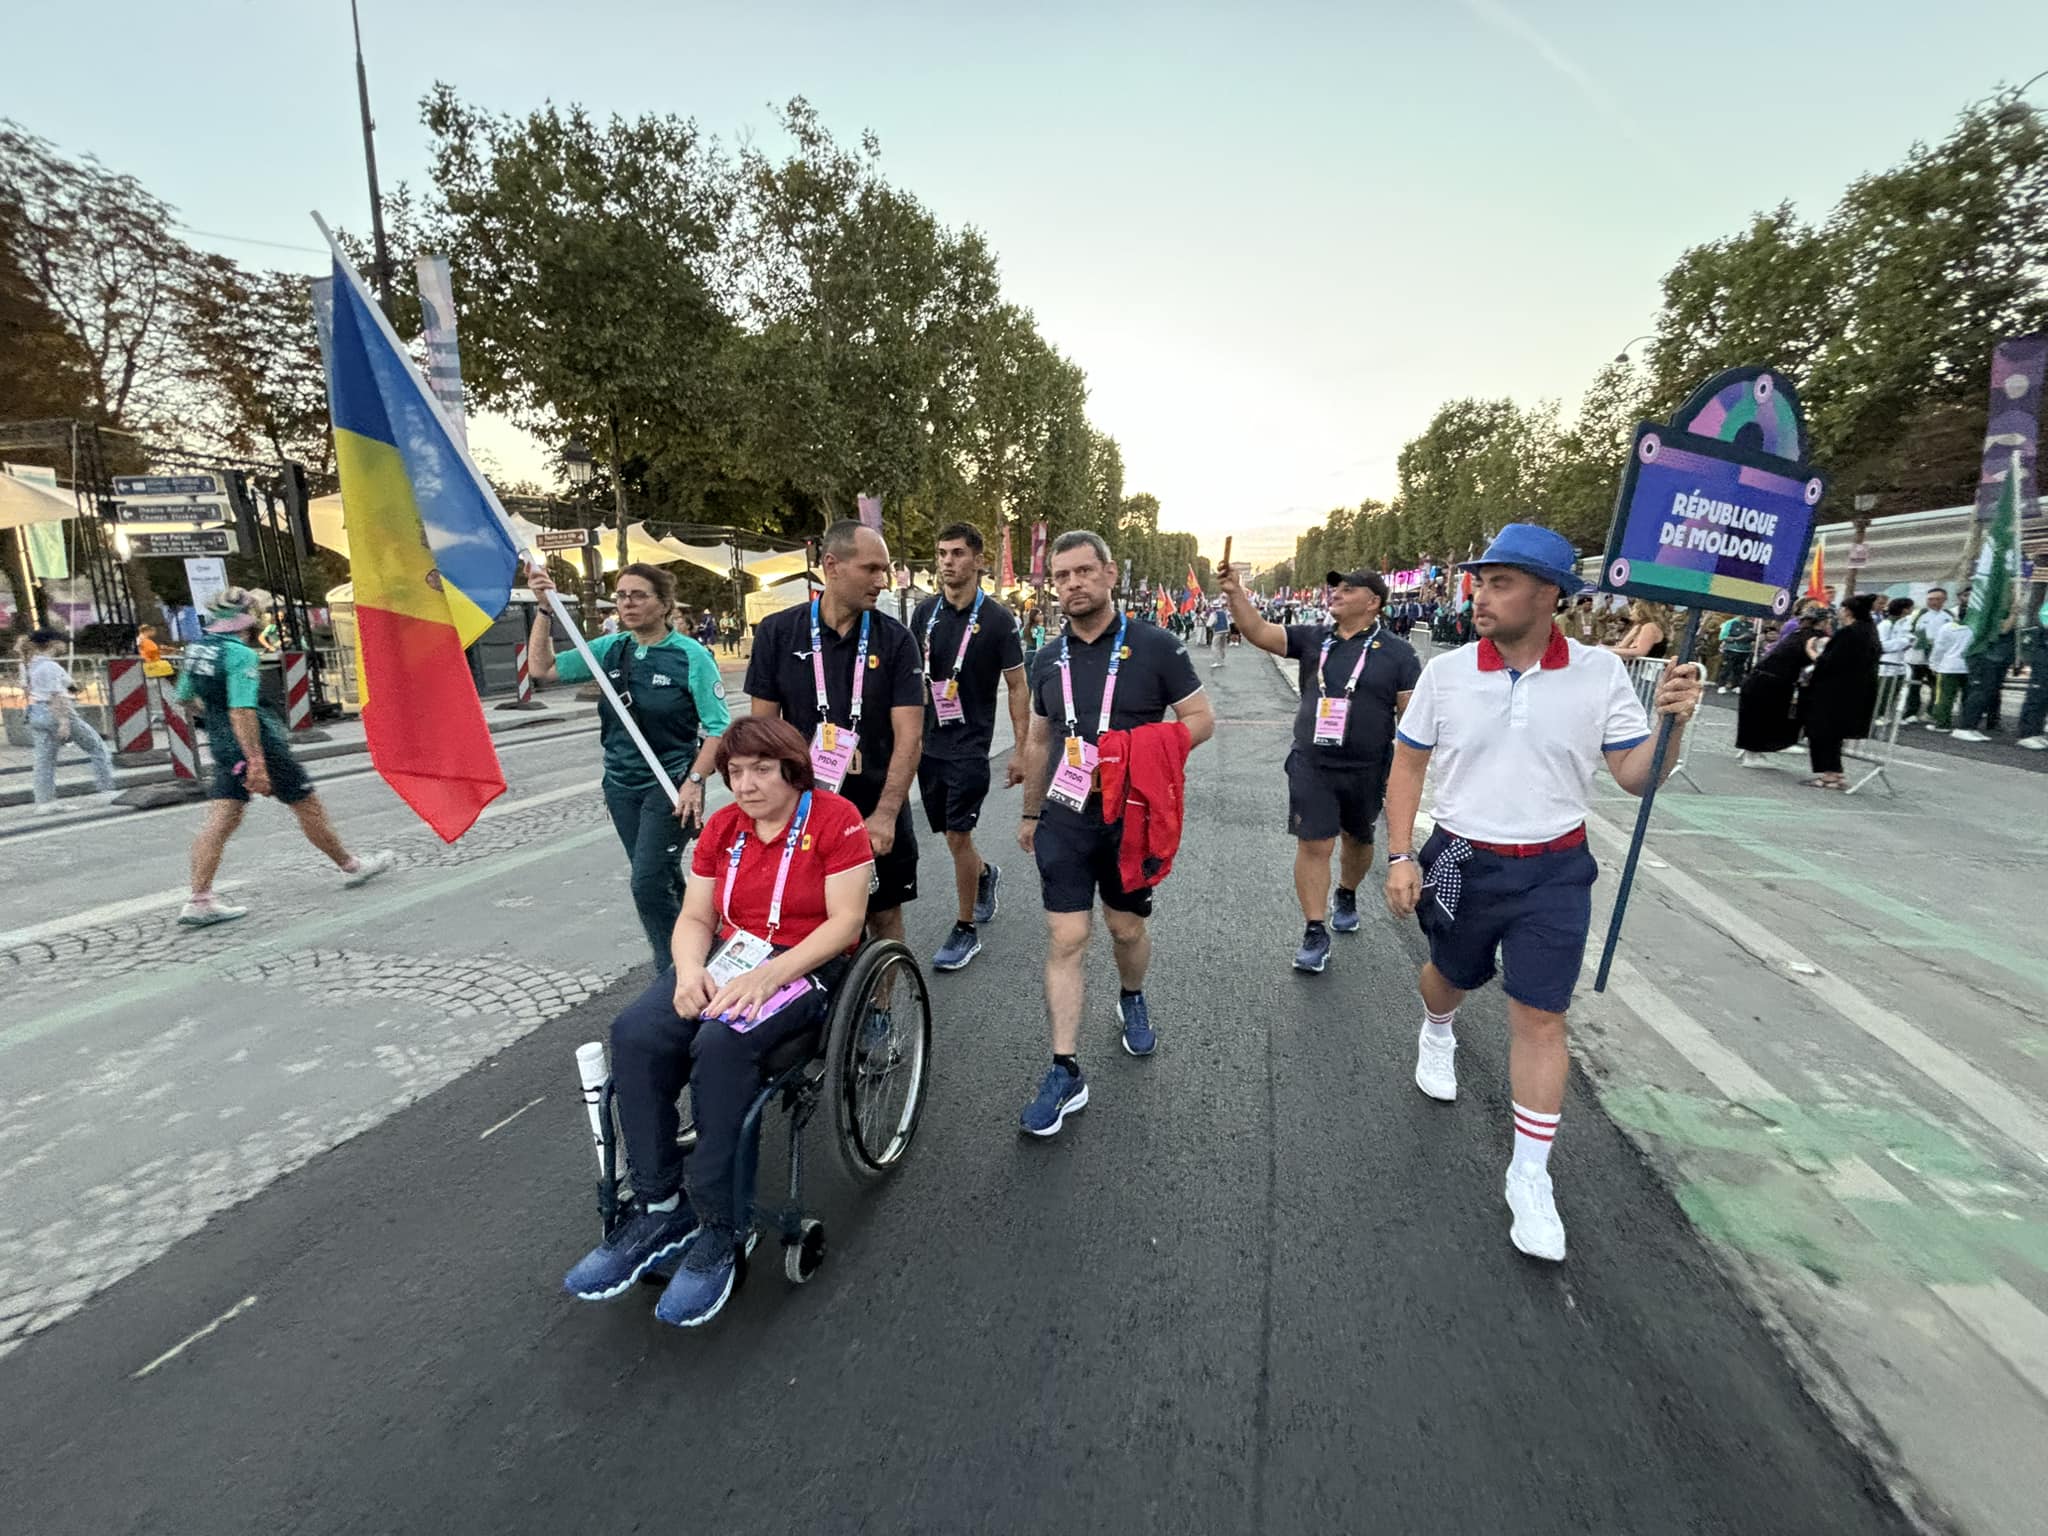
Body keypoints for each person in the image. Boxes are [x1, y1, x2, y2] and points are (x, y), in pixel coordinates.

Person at [1383, 523, 1702, 1263]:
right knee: (1449, 978)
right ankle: (1438, 1030)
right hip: (1460, 854)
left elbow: (1635, 776)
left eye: (1500, 582)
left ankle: (1530, 1176)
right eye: (1481, 580)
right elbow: (1406, 766)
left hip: (1556, 866)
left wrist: (1673, 725)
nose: (1481, 595)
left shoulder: (1597, 675)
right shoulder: (1449, 672)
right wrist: (1402, 854)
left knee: (1541, 1015)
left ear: (1550, 594)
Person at [560, 717, 874, 1328]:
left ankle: (722, 1224)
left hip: (804, 968)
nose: (746, 785)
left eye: (761, 769)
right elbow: (696, 917)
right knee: (637, 1032)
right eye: (735, 772)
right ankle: (660, 1202)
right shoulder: (725, 828)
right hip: (726, 957)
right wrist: (684, 973)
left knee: (723, 1041)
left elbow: (845, 924)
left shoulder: (836, 821)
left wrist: (771, 976)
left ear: (792, 768)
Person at [1015, 530, 1213, 1135]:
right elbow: (1041, 738)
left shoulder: (1157, 646)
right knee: (1067, 938)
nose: (1072, 584)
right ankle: (1065, 1068)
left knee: (1125, 928)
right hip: (1065, 816)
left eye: (1082, 572)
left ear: (1108, 573)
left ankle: (1131, 995)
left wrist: (1133, 748)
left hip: (1133, 820)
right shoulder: (1048, 657)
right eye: (1061, 576)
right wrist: (1029, 812)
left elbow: (1201, 720)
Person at [526, 562, 731, 965]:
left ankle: (673, 971)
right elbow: (542, 669)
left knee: (646, 882)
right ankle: (708, 949)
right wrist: (545, 609)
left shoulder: (690, 657)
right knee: (661, 873)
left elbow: (718, 730)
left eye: (639, 595)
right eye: (621, 595)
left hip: (671, 784)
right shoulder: (611, 648)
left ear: (665, 604)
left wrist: (694, 780)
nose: (627, 603)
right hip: (620, 785)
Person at [1222, 563, 1420, 973]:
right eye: (1335, 589)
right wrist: (1236, 593)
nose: (1337, 594)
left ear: (1373, 602)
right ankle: (1314, 930)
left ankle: (1346, 892)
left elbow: (1412, 721)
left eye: (1347, 589)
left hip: (1367, 767)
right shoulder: (1314, 638)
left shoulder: (1400, 654)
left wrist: (1404, 770)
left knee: (1358, 839)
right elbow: (1258, 631)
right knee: (1314, 843)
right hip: (1312, 762)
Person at [745, 520, 923, 944]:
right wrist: (769, 808)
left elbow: (910, 737)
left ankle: (879, 1009)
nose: (882, 580)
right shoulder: (776, 633)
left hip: (875, 800)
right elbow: (762, 732)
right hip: (805, 803)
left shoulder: (896, 641)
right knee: (815, 915)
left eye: (884, 569)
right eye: (871, 568)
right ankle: (829, 1003)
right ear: (832, 565)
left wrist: (885, 815)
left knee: (883, 912)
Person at [174, 588, 393, 926]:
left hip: (222, 746)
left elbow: (185, 697)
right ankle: (351, 865)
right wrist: (256, 761)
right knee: (306, 803)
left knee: (221, 819)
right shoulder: (239, 654)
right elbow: (242, 711)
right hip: (260, 746)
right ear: (250, 619)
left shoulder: (197, 650)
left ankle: (200, 898)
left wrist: (216, 722)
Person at [911, 522, 1030, 972]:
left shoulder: (998, 621)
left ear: (979, 560)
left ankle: (965, 929)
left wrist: (1021, 750)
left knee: (959, 834)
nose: (946, 561)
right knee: (948, 833)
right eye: (942, 553)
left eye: (957, 553)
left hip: (970, 746)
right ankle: (984, 874)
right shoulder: (925, 613)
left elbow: (1018, 687)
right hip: (928, 744)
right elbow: (911, 678)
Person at [17, 629, 118, 814]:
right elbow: (57, 696)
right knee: (97, 748)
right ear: (53, 643)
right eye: (62, 641)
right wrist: (64, 722)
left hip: (36, 713)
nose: (65, 645)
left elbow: (67, 687)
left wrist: (71, 687)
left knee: (44, 760)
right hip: (57, 712)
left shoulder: (26, 664)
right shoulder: (50, 667)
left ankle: (45, 802)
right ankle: (106, 790)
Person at [1799, 593, 1882, 789]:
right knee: (1835, 734)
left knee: (1824, 731)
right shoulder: (1870, 631)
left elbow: (1830, 662)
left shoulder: (1849, 633)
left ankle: (1828, 774)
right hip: (1857, 691)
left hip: (1835, 691)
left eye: (1842, 609)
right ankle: (1836, 773)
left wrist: (1811, 651)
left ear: (1848, 611)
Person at [1735, 603, 1829, 766]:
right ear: (1822, 622)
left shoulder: (1797, 633)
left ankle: (1750, 750)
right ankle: (1752, 755)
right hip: (1774, 681)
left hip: (1759, 677)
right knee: (1765, 717)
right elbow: (1822, 661)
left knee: (1755, 716)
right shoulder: (1816, 638)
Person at [1950, 600, 2017, 744]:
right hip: (1983, 658)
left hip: (1995, 659)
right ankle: (1965, 727)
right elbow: (2003, 629)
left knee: (1988, 692)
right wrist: (2014, 613)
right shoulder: (1984, 616)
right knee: (1979, 692)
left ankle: (1972, 726)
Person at [1900, 588, 1950, 724]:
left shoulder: (1949, 616)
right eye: (1930, 599)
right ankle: (1910, 712)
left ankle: (1930, 712)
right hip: (1916, 657)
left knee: (1936, 687)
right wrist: (1918, 640)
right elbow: (1905, 631)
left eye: (1937, 599)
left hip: (1937, 659)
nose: (1933, 602)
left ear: (1944, 600)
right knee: (1914, 686)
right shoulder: (1918, 614)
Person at [1927, 606, 1974, 731]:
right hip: (1971, 667)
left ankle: (1942, 723)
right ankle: (1967, 724)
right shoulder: (1976, 629)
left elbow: (1939, 648)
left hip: (1948, 667)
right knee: (1969, 697)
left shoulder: (1947, 628)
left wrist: (1934, 665)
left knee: (1944, 697)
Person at [2015, 591, 2048, 751]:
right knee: (2037, 694)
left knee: (2045, 697)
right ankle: (2026, 734)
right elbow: (2044, 622)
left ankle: (2036, 732)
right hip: (2043, 654)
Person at [1714, 614, 1757, 693]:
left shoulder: (1752, 625)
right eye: (1743, 615)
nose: (1746, 617)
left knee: (1740, 669)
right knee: (1727, 667)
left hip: (1745, 651)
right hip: (1731, 650)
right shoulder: (1730, 623)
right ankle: (1721, 685)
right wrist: (1739, 638)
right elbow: (1723, 637)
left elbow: (1753, 636)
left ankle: (1736, 685)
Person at [1208, 601, 1231, 668]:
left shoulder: (1214, 614)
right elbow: (1228, 622)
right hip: (1225, 630)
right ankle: (1222, 661)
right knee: (1222, 646)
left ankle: (1216, 661)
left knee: (1214, 646)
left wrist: (1210, 626)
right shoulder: (1224, 613)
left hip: (1217, 631)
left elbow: (1209, 624)